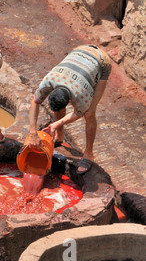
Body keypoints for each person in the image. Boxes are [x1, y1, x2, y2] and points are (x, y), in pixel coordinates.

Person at [28, 44, 111, 174]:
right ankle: (59, 137)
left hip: (101, 61)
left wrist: (56, 123)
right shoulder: (49, 81)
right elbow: (35, 101)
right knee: (59, 105)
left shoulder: (80, 95)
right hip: (80, 51)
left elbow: (79, 113)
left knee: (90, 112)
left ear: (70, 101)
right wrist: (32, 132)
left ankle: (89, 154)